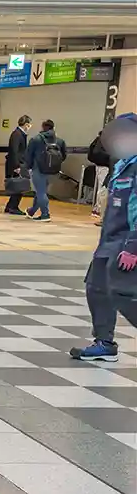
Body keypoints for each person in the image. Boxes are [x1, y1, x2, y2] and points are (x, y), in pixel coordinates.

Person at [71, 112, 137, 362]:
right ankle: (104, 342)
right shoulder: (121, 164)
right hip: (109, 240)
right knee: (96, 288)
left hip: (127, 241)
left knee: (125, 295)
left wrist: (133, 245)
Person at [25, 119, 66, 222]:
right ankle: (31, 211)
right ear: (53, 128)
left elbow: (28, 155)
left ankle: (45, 214)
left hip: (38, 169)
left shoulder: (36, 139)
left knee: (40, 192)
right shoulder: (60, 141)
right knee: (41, 191)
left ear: (43, 128)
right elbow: (64, 155)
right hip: (53, 171)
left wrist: (28, 167)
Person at [4, 115, 32, 215]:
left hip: (19, 163)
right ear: (26, 124)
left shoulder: (20, 134)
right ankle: (12, 207)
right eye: (29, 124)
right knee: (18, 186)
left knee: (18, 185)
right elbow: (14, 151)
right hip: (16, 164)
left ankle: (10, 206)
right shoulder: (17, 134)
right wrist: (16, 166)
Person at [88, 129, 111, 226]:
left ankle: (98, 208)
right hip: (105, 166)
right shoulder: (106, 142)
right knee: (103, 189)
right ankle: (98, 209)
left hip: (100, 166)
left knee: (101, 188)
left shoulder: (99, 141)